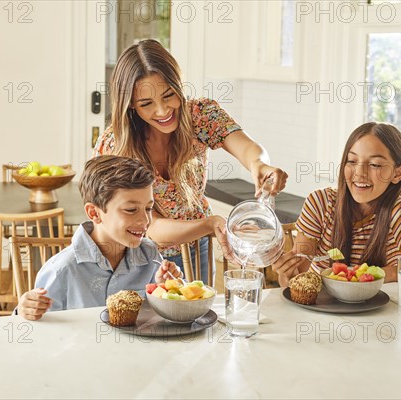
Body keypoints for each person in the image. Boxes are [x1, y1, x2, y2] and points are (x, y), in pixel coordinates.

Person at [94, 39, 289, 283]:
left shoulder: (199, 115)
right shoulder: (117, 146)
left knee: (200, 317)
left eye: (169, 96)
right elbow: (150, 227)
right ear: (131, 106)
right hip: (141, 257)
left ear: (178, 85)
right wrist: (209, 224)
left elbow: (247, 146)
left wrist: (259, 165)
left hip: (198, 251)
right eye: (146, 104)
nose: (163, 111)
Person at [271, 122, 401, 286]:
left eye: (374, 164)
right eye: (352, 161)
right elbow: (300, 274)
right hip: (321, 314)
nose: (360, 173)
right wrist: (286, 273)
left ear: (397, 173)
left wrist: (390, 273)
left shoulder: (400, 214)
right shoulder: (320, 204)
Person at [18, 155, 182, 321]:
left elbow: (170, 314)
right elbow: (36, 328)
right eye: (131, 210)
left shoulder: (150, 255)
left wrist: (167, 288)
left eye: (148, 208)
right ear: (94, 213)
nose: (145, 220)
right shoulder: (62, 270)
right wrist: (25, 312)